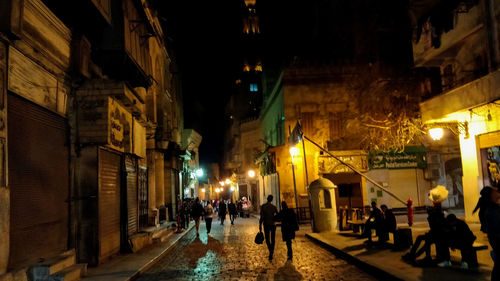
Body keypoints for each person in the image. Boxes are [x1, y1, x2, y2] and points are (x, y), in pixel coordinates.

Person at [473, 186, 500, 280]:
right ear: (491, 195)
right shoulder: (492, 210)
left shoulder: (494, 208)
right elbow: (496, 230)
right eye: (495, 191)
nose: (497, 192)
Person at [259, 195, 279, 261]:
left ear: (267, 199)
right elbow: (277, 215)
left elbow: (261, 216)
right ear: (272, 199)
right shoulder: (273, 207)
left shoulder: (263, 206)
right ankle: (271, 251)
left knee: (267, 239)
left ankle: (270, 250)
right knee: (273, 239)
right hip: (272, 225)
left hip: (266, 224)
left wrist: (260, 225)